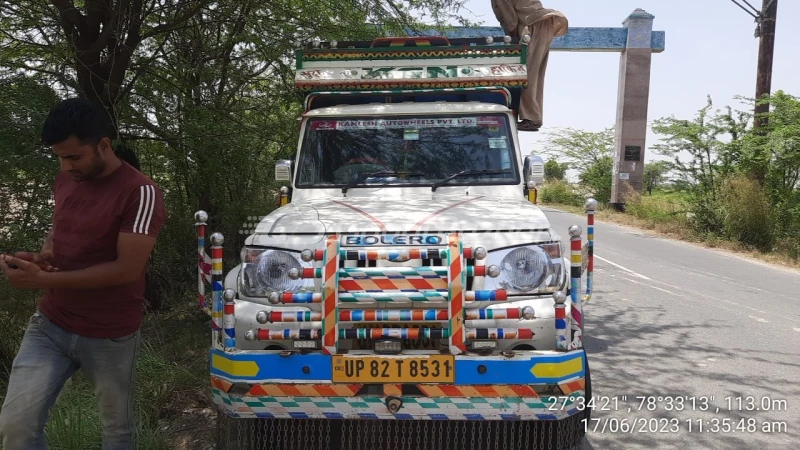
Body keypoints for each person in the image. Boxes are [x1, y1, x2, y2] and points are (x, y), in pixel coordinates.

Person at [0, 97, 167, 450]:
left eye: (74, 156)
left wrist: (43, 281)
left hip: (110, 334)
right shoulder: (66, 179)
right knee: (15, 427)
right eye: (60, 157)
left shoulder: (141, 192)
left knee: (116, 431)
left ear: (103, 145)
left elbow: (127, 269)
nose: (66, 166)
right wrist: (44, 257)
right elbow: (59, 229)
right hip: (51, 325)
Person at [491, 0, 569, 131]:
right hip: (544, 22)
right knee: (535, 73)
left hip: (532, 24)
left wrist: (513, 40)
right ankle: (534, 116)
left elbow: (511, 22)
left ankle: (531, 118)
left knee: (524, 73)